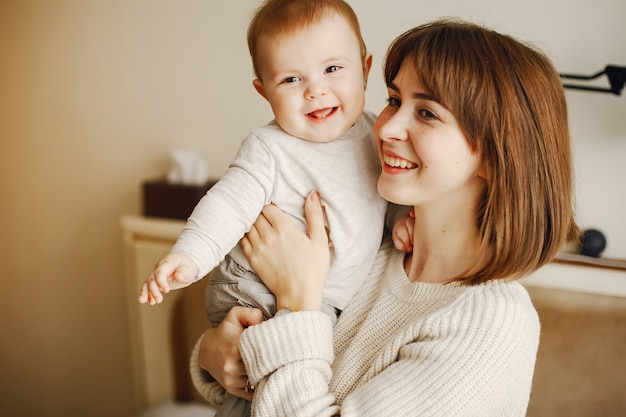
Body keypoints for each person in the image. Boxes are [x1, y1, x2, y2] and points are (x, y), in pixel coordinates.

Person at [190, 18, 579, 416]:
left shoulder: (492, 322)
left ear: (495, 158)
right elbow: (263, 381)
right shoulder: (369, 247)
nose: (388, 126)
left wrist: (298, 301)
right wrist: (212, 356)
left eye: (427, 113)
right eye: (394, 100)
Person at [140, 0, 409, 415]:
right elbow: (228, 203)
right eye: (290, 79)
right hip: (255, 284)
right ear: (263, 90)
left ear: (365, 67)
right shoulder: (271, 149)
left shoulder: (374, 135)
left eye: (333, 69)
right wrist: (190, 255)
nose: (315, 89)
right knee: (257, 390)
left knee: (292, 376)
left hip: (323, 300)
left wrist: (400, 222)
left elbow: (381, 196)